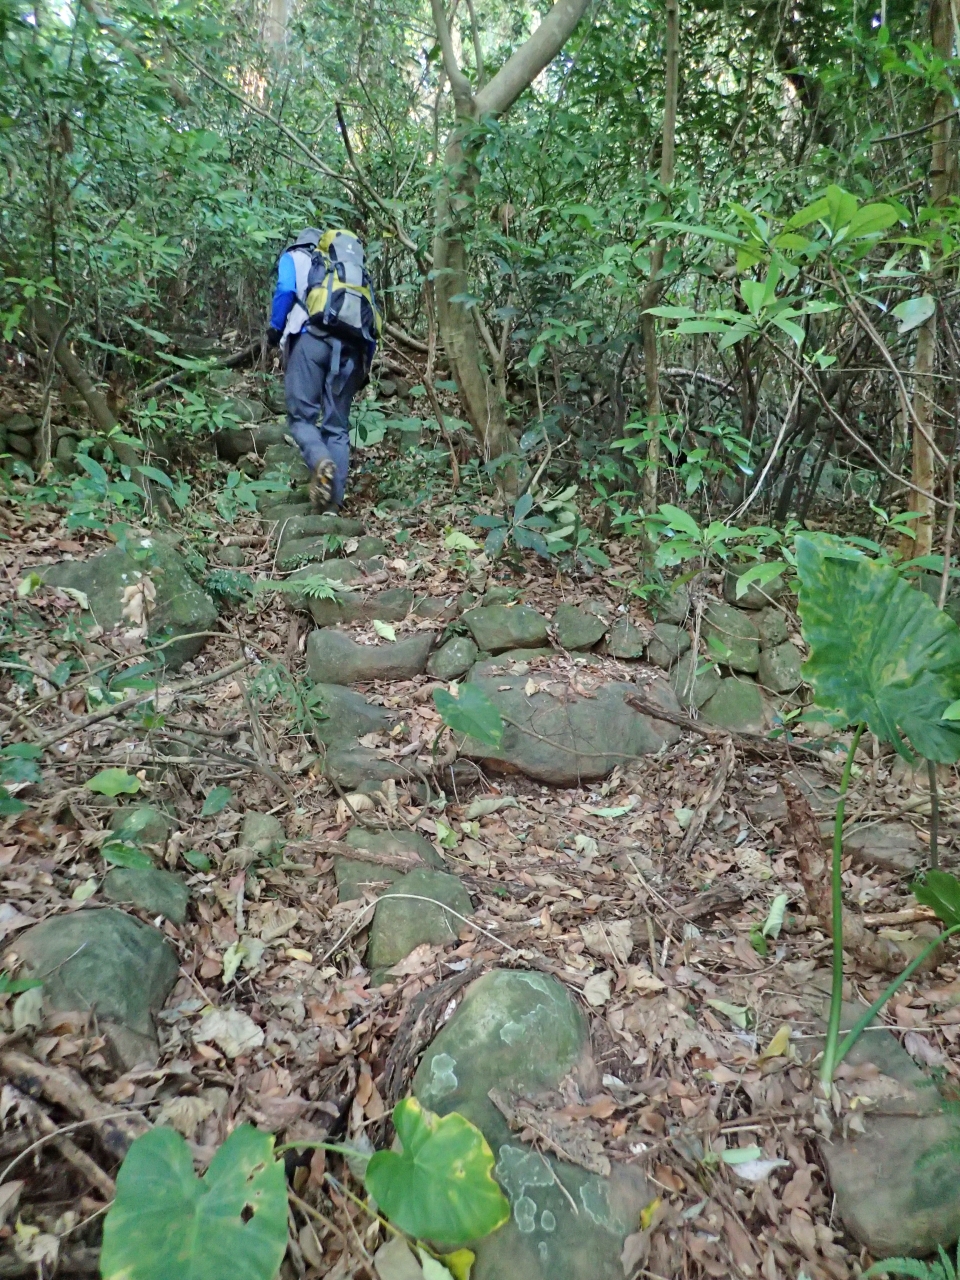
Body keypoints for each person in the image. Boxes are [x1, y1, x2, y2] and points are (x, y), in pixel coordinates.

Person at [266, 227, 379, 511]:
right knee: (337, 428)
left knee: (302, 418)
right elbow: (371, 321)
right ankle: (331, 509)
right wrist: (364, 366)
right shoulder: (349, 271)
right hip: (352, 351)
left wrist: (275, 329)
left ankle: (320, 460)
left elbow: (286, 290)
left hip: (311, 341)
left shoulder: (294, 257)